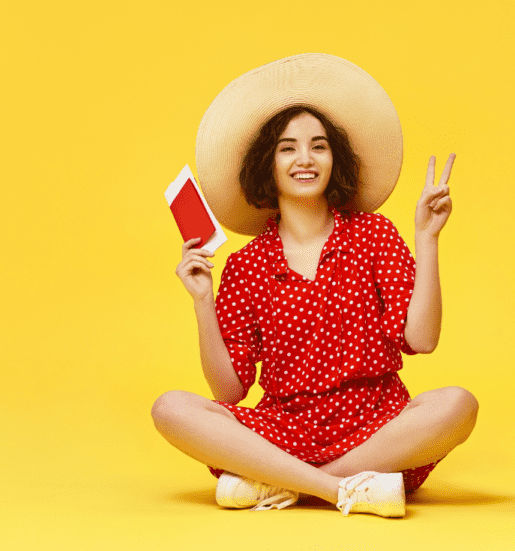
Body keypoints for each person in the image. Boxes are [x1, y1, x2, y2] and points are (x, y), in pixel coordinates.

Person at [151, 54, 478, 518]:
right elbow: (228, 392)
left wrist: (427, 239)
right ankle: (346, 490)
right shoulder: (246, 266)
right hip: (280, 431)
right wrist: (202, 302)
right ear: (268, 164)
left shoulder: (374, 234)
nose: (304, 159)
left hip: (377, 430)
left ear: (334, 158)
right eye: (288, 148)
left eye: (318, 146)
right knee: (170, 408)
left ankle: (283, 485)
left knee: (457, 405)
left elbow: (422, 340)